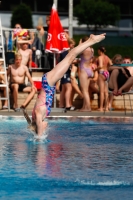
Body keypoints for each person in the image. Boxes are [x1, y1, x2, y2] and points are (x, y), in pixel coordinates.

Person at [23, 33, 106, 136]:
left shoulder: (39, 114)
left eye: (43, 128)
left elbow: (39, 126)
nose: (46, 127)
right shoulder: (37, 116)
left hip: (48, 82)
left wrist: (39, 137)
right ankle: (90, 41)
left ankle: (91, 40)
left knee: (70, 57)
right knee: (69, 58)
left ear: (38, 127)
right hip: (49, 83)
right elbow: (37, 124)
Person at [97, 46, 112, 111]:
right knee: (106, 92)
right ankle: (106, 108)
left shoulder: (100, 57)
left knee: (102, 92)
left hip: (102, 73)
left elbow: (100, 66)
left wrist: (95, 69)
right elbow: (111, 64)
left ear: (99, 51)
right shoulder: (107, 57)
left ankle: (101, 107)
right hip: (107, 73)